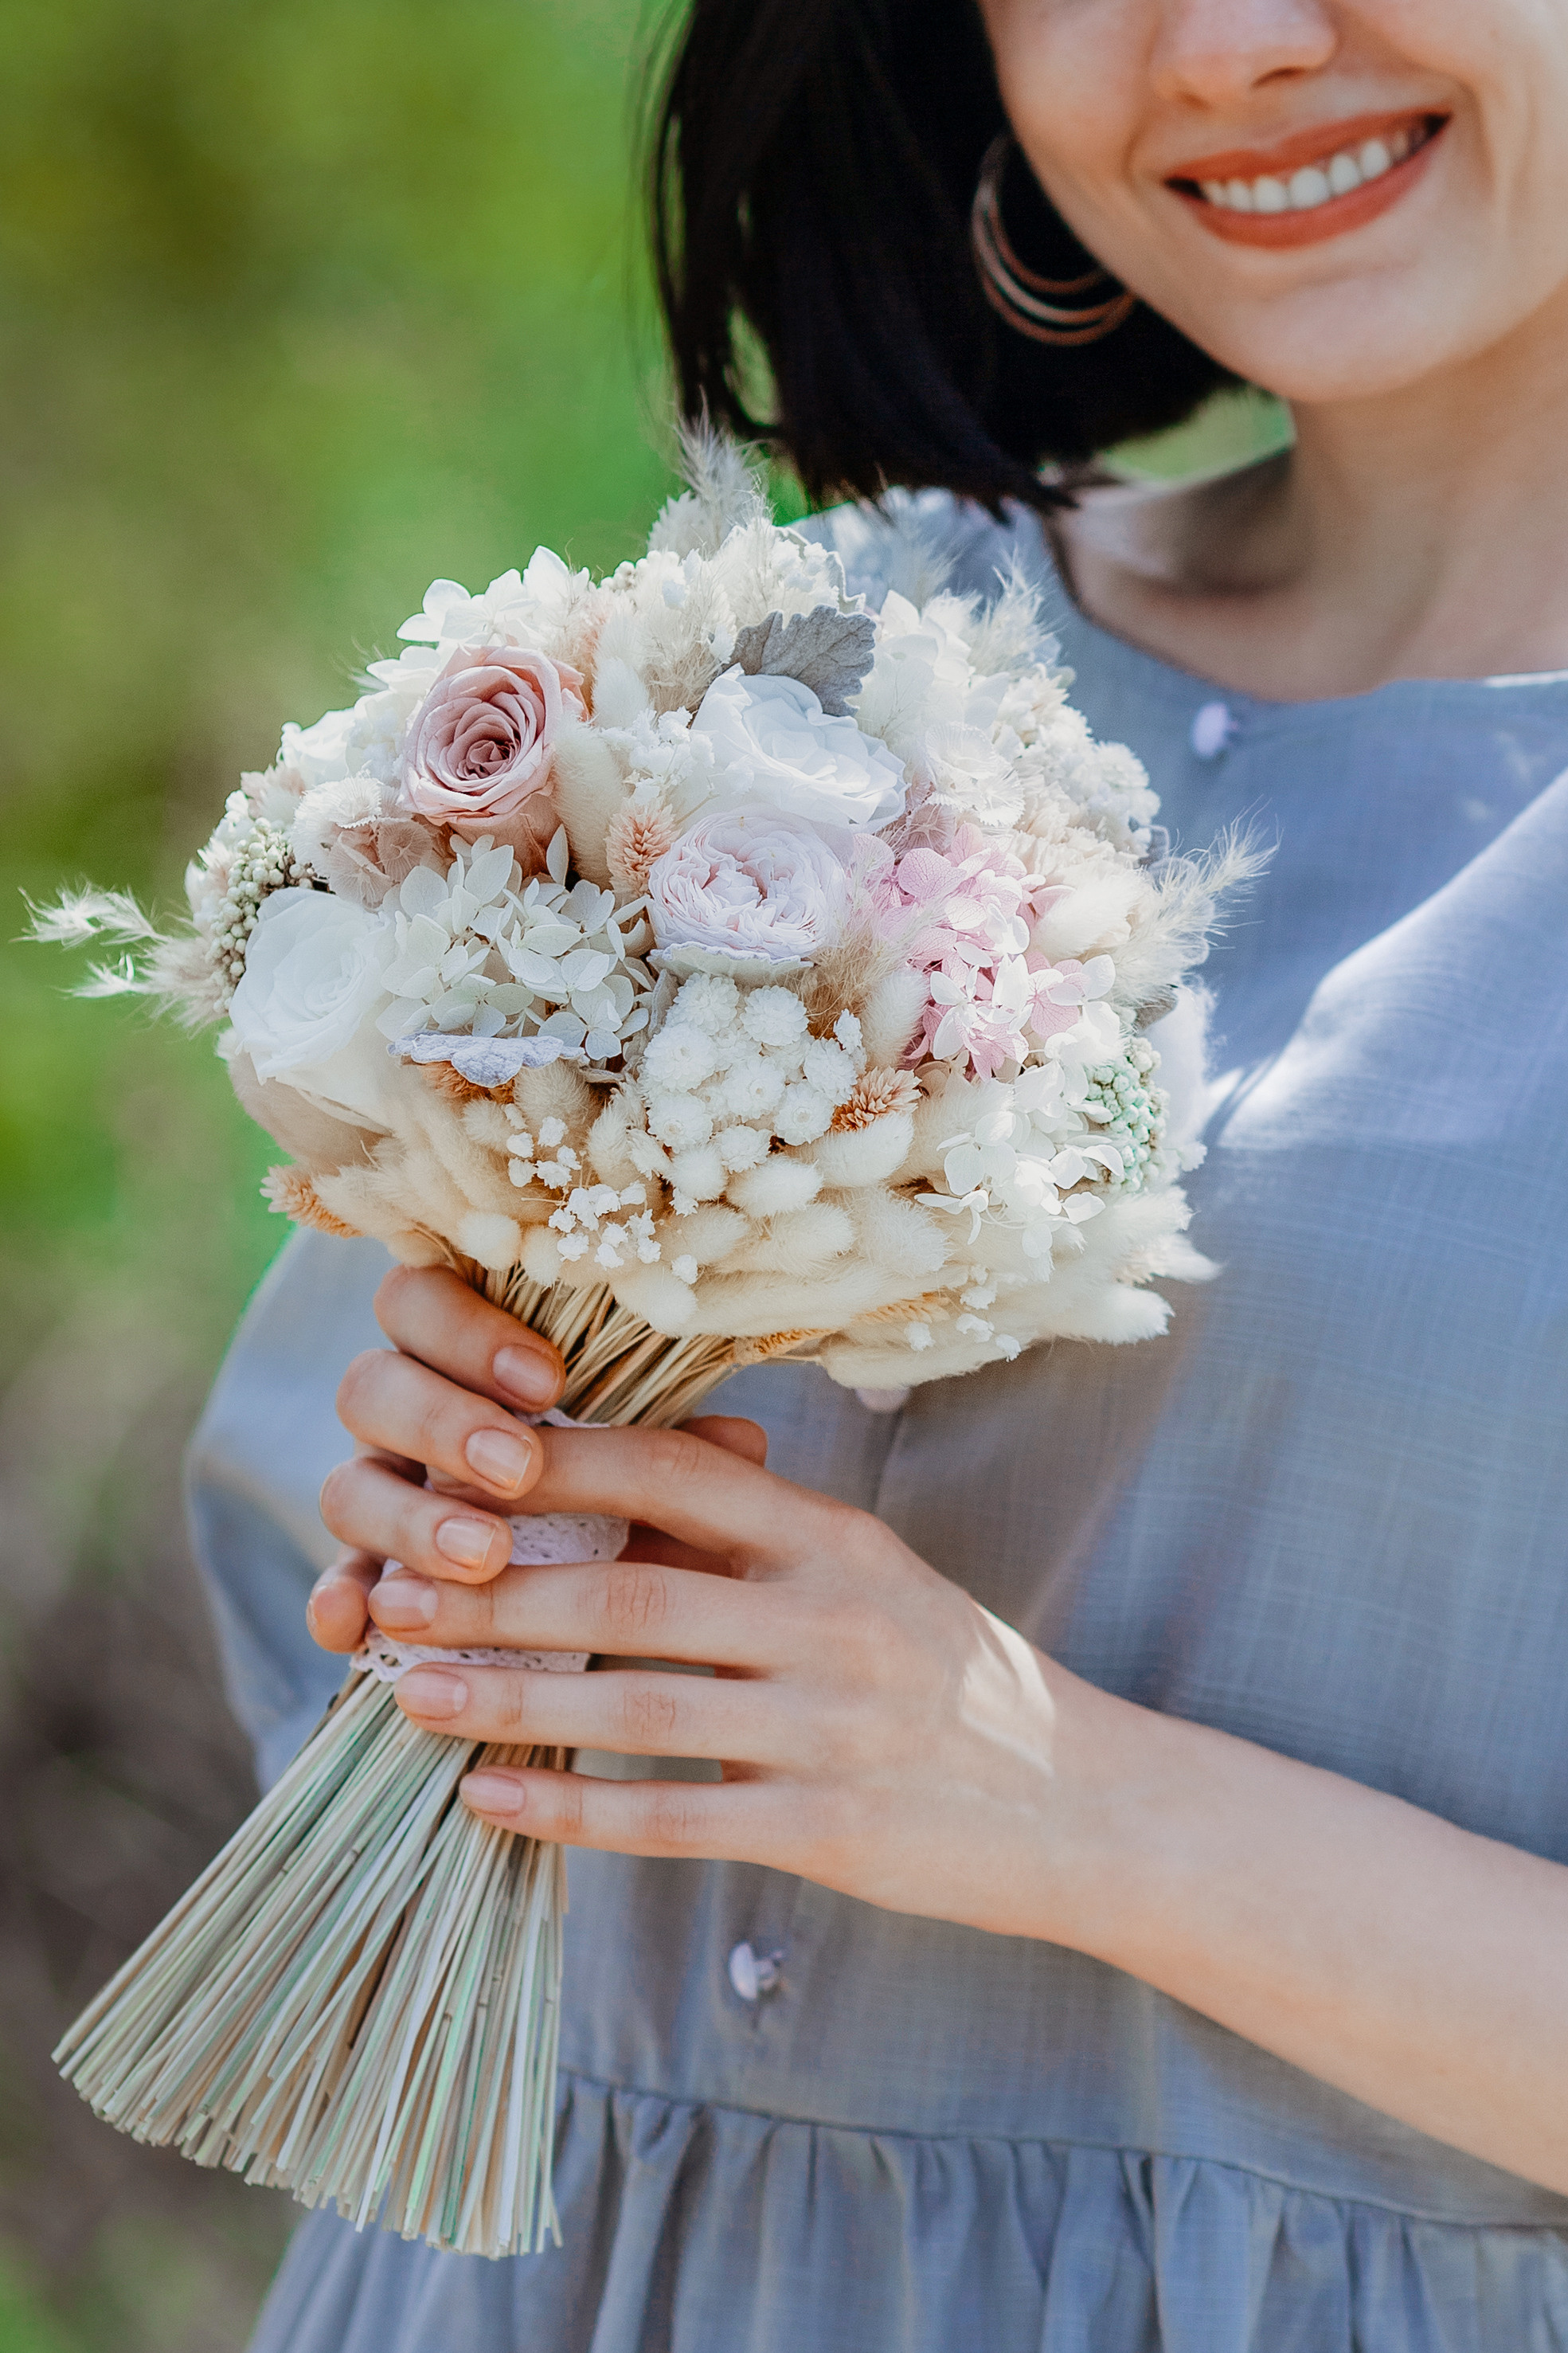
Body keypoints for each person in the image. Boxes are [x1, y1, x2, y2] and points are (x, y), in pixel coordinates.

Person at [191, 1, 1568, 2344]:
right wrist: (451, 1512)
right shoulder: (819, 654)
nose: (1227, 45)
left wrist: (1056, 1801)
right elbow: (313, 1668)